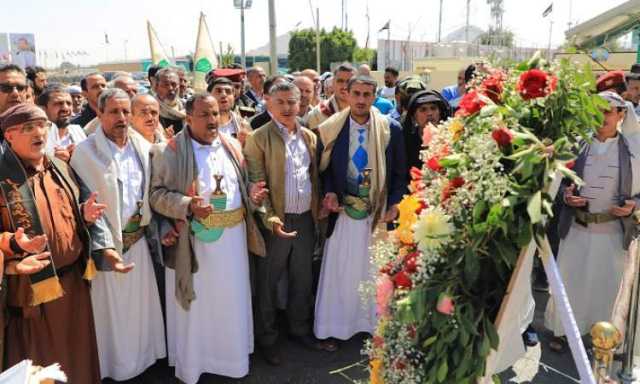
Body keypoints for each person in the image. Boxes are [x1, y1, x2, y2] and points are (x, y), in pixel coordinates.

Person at [149, 93, 266, 383]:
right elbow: (157, 196)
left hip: (233, 243)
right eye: (204, 115)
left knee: (231, 301)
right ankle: (196, 363)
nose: (213, 120)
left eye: (215, 113)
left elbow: (242, 183)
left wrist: (251, 192)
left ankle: (231, 358)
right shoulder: (171, 150)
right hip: (196, 244)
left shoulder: (232, 144)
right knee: (199, 307)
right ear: (188, 118)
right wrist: (188, 205)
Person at [0, 103, 114, 383]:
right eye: (29, 127)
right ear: (9, 136)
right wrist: (14, 250)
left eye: (43, 125)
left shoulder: (60, 166)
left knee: (78, 360)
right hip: (31, 293)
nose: (39, 132)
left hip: (74, 286)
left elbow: (67, 216)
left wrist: (83, 217)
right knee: (39, 367)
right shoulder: (3, 178)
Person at [70, 88, 166, 380]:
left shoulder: (142, 145)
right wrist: (106, 248)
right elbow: (84, 202)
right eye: (113, 112)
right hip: (106, 250)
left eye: (126, 111)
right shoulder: (86, 153)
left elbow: (151, 195)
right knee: (112, 315)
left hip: (138, 244)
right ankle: (116, 370)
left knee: (140, 311)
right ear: (99, 114)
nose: (121, 118)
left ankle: (145, 363)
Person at [314, 75, 407, 347]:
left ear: (374, 95)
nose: (361, 100)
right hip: (344, 214)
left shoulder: (391, 129)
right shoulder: (331, 128)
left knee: (372, 271)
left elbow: (400, 175)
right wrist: (330, 192)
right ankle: (336, 327)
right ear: (346, 94)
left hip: (375, 214)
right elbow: (324, 171)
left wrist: (394, 202)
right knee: (341, 273)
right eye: (356, 94)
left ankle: (373, 327)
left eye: (367, 95)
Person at [545, 91, 640, 351]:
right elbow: (560, 180)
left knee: (607, 289)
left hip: (613, 234)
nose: (602, 117)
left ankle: (604, 340)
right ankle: (561, 332)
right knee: (569, 283)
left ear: (621, 115)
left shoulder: (636, 150)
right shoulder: (576, 144)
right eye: (597, 110)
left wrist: (634, 206)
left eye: (609, 111)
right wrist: (566, 194)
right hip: (576, 229)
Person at [244, 81, 330, 365]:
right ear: (268, 103)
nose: (287, 107)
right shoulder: (257, 138)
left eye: (291, 101)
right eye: (280, 101)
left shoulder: (309, 136)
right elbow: (257, 185)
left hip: (305, 219)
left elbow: (314, 179)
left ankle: (299, 330)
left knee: (302, 279)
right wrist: (270, 219)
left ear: (300, 103)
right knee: (267, 283)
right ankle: (267, 339)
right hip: (275, 223)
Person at [402, 90, 451, 172]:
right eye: (423, 109)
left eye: (433, 108)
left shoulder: (450, 138)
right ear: (414, 116)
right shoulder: (406, 141)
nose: (429, 113)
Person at [38, 85, 86, 162]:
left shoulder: (78, 132)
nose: (66, 108)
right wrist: (54, 161)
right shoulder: (38, 139)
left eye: (69, 103)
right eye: (58, 103)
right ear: (43, 109)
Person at [307, 63, 356, 131]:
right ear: (333, 83)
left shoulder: (365, 113)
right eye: (340, 81)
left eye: (349, 81)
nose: (345, 86)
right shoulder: (317, 114)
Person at [207, 77, 251, 144]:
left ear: (234, 96)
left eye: (228, 91)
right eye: (218, 91)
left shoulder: (243, 125)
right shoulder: (198, 125)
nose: (224, 95)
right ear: (209, 95)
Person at [155, 67, 185, 134]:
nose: (170, 88)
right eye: (166, 85)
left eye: (174, 84)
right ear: (156, 87)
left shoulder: (187, 107)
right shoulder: (152, 110)